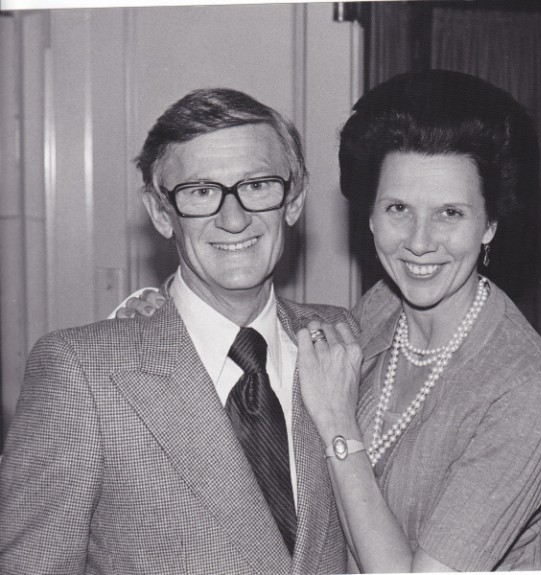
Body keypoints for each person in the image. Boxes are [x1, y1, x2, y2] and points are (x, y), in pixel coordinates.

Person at [0, 88, 355, 574]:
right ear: (161, 213)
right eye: (201, 192)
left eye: (257, 185)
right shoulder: (82, 373)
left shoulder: (342, 338)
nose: (234, 219)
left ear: (293, 201)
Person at [295, 71, 541, 572]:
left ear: (489, 225)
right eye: (398, 207)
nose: (419, 243)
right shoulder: (382, 305)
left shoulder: (527, 389)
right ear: (371, 215)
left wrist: (337, 424)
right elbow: (305, 339)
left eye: (450, 213)